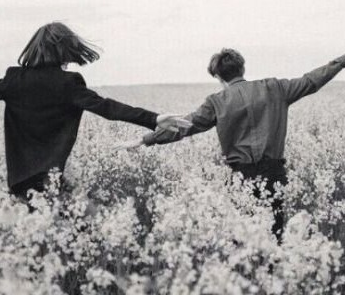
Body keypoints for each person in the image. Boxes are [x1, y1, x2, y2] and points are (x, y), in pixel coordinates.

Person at [117, 48, 345, 243]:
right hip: (274, 173)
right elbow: (311, 80)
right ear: (242, 68)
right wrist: (342, 60)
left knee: (241, 240)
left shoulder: (216, 102)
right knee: (274, 236)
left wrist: (146, 139)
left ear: (217, 76)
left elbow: (185, 126)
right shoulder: (275, 88)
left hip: (240, 177)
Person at [0, 22, 190, 200]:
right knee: (85, 229)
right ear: (66, 50)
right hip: (51, 179)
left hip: (19, 182)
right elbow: (107, 108)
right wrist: (153, 118)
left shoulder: (14, 79)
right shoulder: (68, 83)